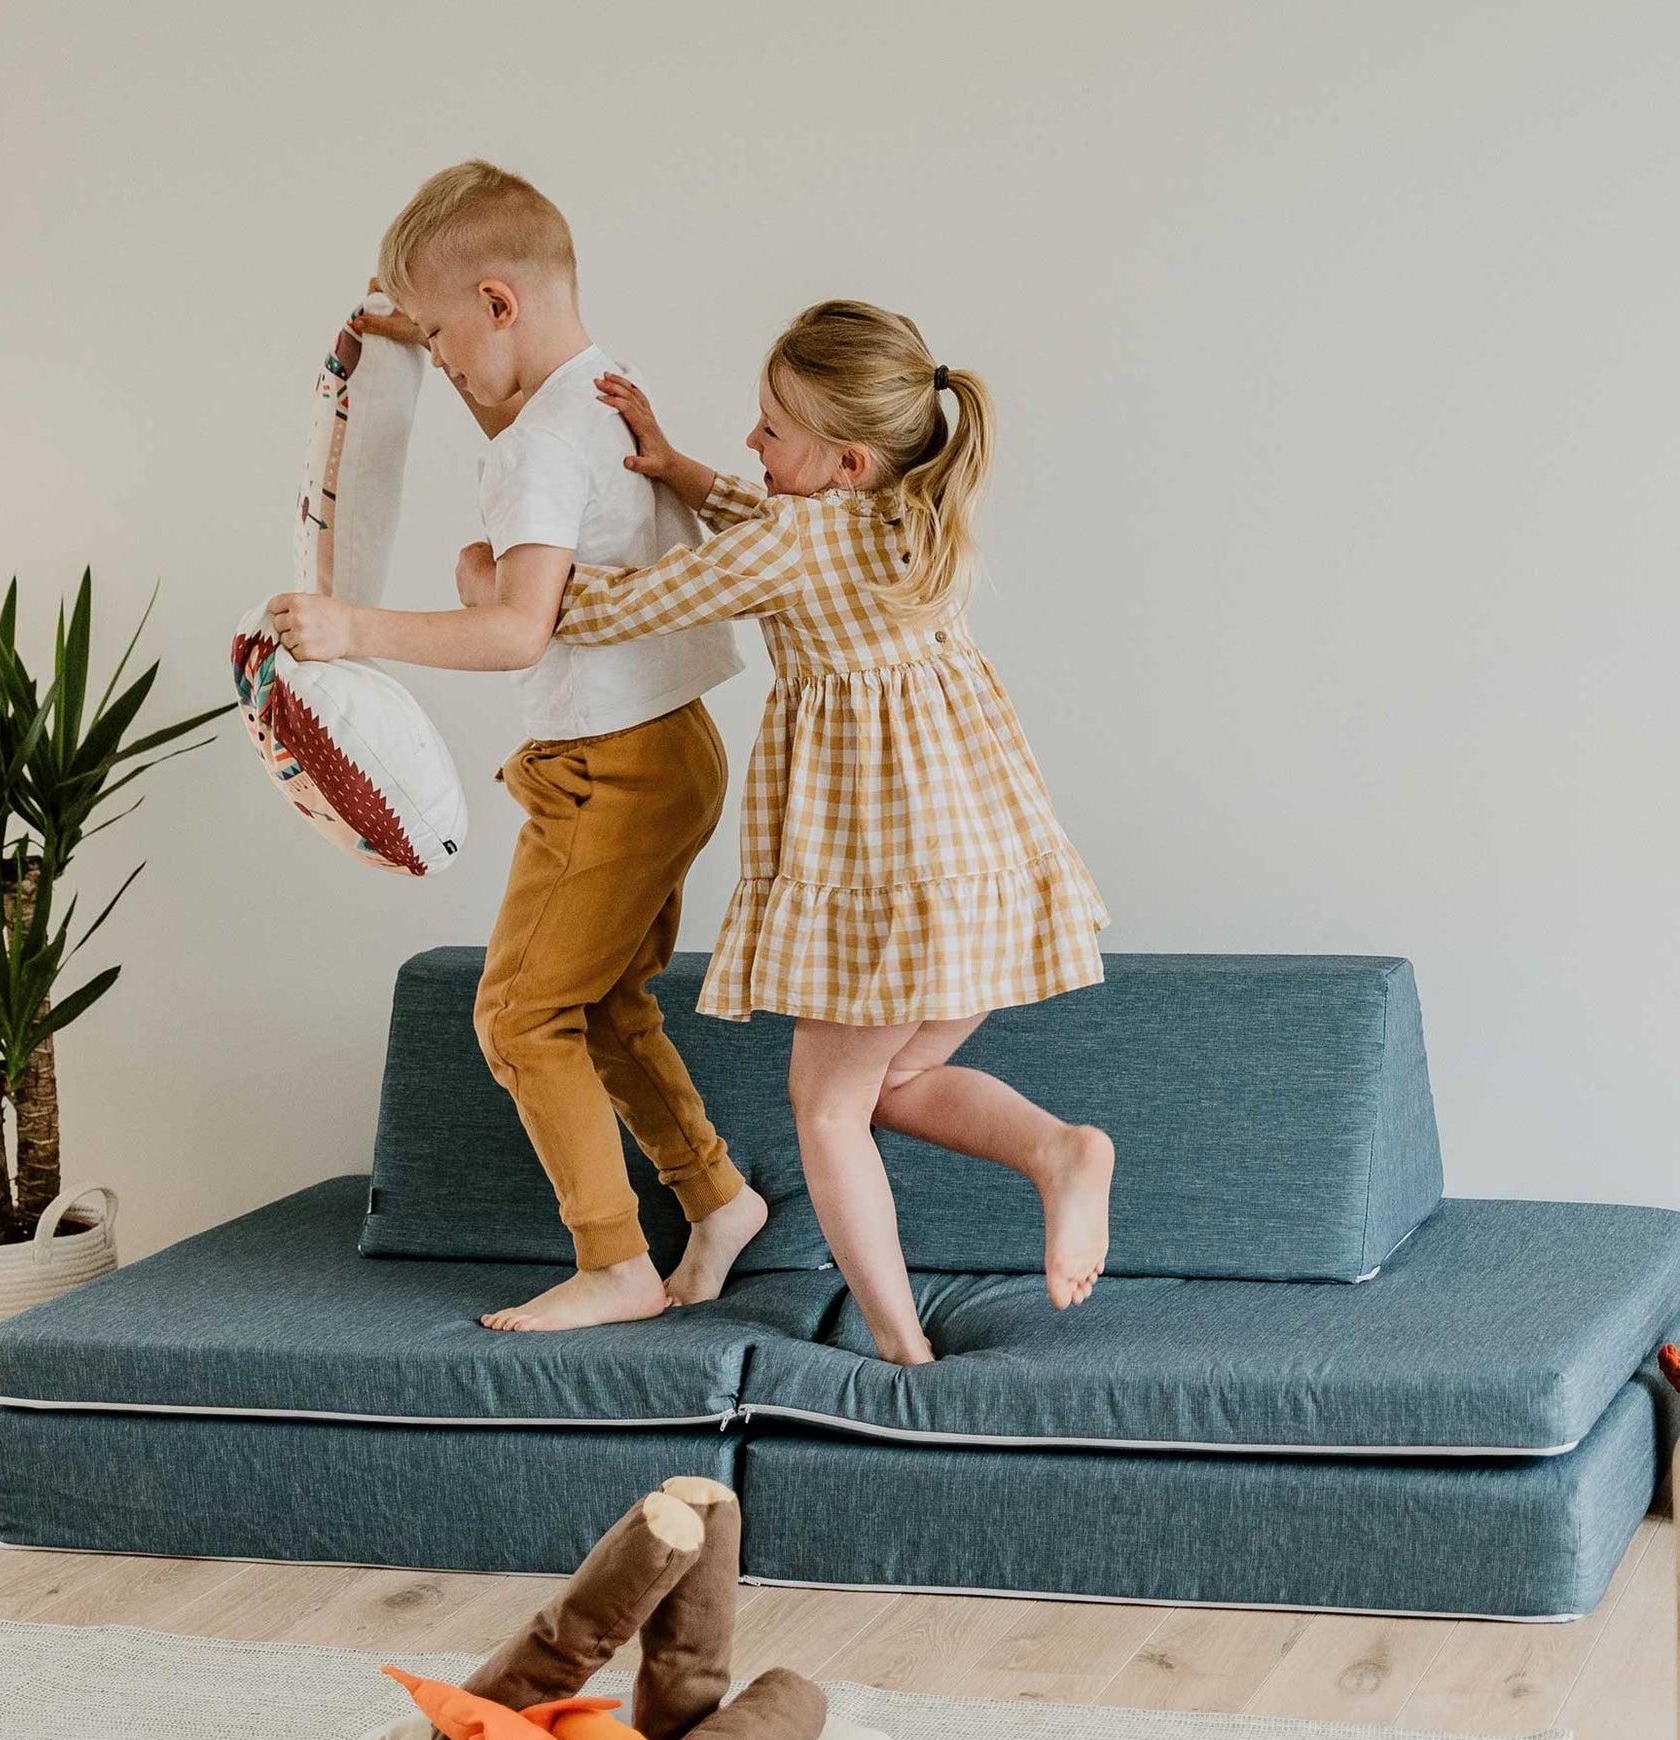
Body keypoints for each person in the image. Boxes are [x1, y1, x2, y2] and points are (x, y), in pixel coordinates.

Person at [457, 299, 1112, 1365]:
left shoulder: (797, 541)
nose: (749, 445)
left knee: (826, 1111)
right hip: (980, 857)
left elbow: (628, 603)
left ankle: (904, 1350)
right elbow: (772, 528)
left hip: (886, 868)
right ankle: (1057, 1148)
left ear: (844, 459)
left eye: (768, 429)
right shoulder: (905, 512)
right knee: (893, 1088)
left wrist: (494, 581)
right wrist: (677, 470)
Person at [268, 161, 767, 1330]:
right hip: (672, 751)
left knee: (515, 1015)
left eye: (443, 339)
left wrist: (356, 628)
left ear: (500, 303)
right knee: (598, 1004)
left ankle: (613, 1262)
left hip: (606, 771)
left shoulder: (542, 445)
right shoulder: (595, 393)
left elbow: (513, 632)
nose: (441, 368)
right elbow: (511, 418)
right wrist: (410, 323)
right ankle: (715, 1195)